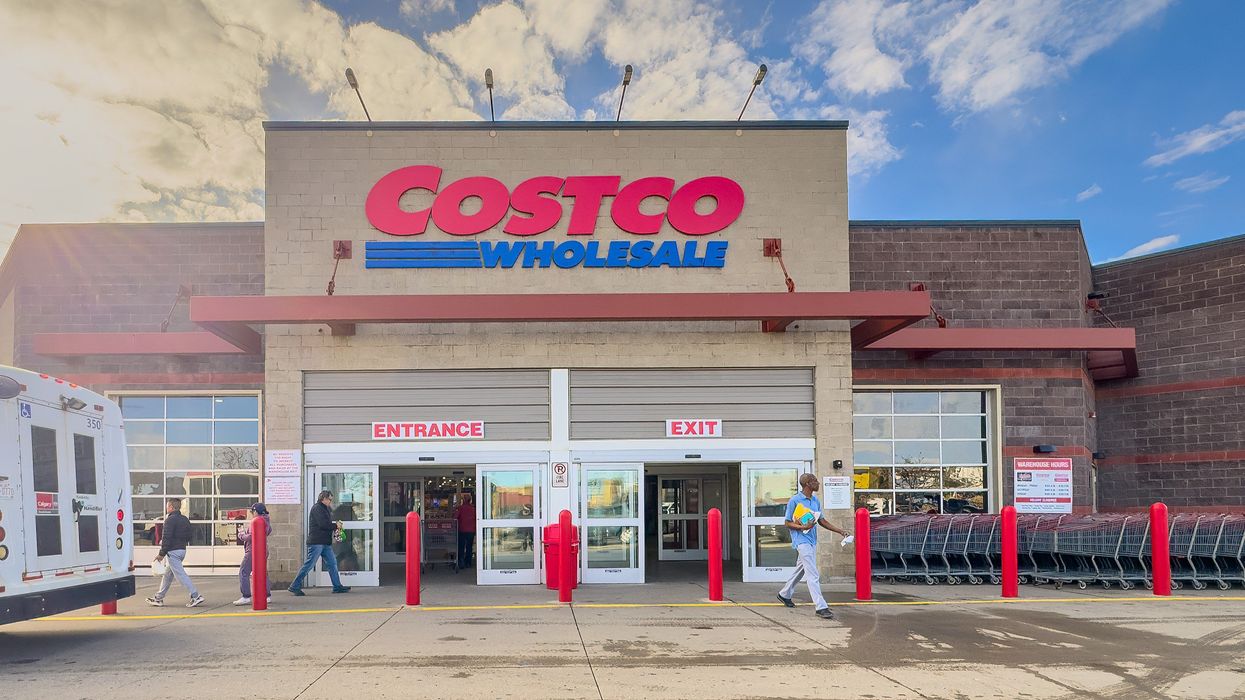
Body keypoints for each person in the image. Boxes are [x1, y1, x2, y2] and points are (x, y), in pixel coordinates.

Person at [776, 473, 851, 620]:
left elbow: (822, 521)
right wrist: (802, 526)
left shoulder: (815, 500)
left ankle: (784, 594)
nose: (818, 483)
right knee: (813, 574)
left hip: (811, 540)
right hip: (801, 541)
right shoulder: (795, 500)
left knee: (801, 569)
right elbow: (787, 522)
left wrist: (840, 531)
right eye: (815, 481)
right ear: (808, 484)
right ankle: (821, 607)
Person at [288, 490, 350, 595]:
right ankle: (294, 586)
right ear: (324, 499)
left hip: (324, 542)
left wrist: (335, 526)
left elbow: (326, 524)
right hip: (316, 542)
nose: (331, 501)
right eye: (329, 499)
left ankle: (337, 586)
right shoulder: (317, 508)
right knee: (309, 564)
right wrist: (336, 526)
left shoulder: (324, 508)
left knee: (332, 564)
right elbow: (323, 524)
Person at [147, 498, 204, 608]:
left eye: (167, 506)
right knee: (168, 575)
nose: (166, 508)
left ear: (171, 507)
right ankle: (158, 598)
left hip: (172, 552)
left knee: (181, 575)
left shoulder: (169, 520)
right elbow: (189, 536)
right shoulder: (185, 519)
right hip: (182, 550)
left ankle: (195, 596)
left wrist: (161, 554)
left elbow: (166, 538)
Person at [233, 502, 273, 606]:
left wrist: (241, 535)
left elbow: (251, 536)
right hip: (263, 550)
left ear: (255, 511)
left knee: (243, 571)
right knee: (263, 572)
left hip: (253, 550)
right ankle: (267, 595)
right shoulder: (266, 521)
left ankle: (246, 596)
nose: (251, 513)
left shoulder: (257, 521)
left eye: (252, 511)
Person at [454, 493, 476, 568]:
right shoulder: (474, 509)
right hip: (471, 530)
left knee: (461, 546)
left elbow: (455, 517)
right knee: (469, 546)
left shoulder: (460, 508)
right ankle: (468, 562)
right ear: (470, 500)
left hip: (462, 530)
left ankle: (461, 561)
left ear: (463, 500)